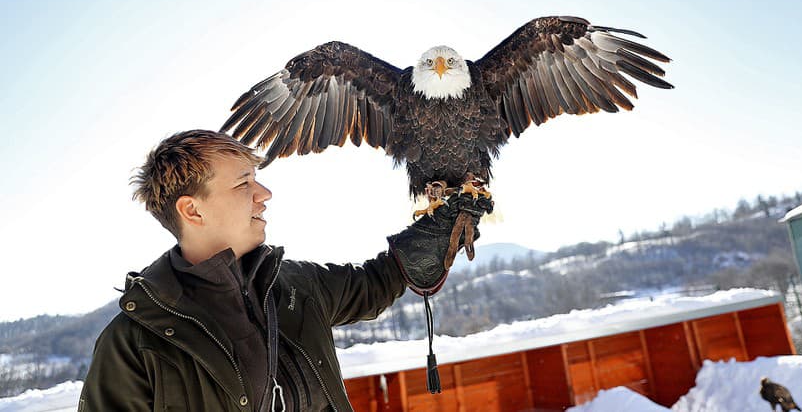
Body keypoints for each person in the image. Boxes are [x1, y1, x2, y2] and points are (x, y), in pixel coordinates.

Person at [78, 130, 492, 411]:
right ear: (192, 209)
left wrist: (435, 231)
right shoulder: (132, 345)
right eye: (243, 184)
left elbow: (375, 282)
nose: (264, 194)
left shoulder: (296, 285)